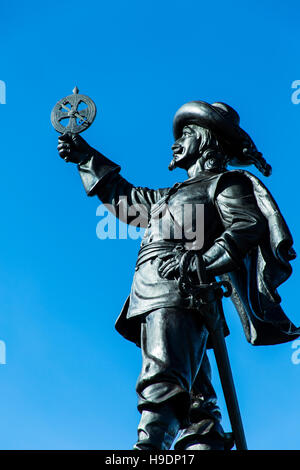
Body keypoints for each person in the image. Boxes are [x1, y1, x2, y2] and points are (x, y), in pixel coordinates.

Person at [57, 101, 299, 450]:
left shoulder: (224, 184)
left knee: (163, 374)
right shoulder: (168, 194)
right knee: (197, 402)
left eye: (185, 134)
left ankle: (149, 448)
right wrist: (85, 156)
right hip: (151, 289)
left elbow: (246, 227)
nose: (175, 142)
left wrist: (201, 262)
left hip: (180, 290)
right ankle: (204, 443)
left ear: (204, 140)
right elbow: (126, 200)